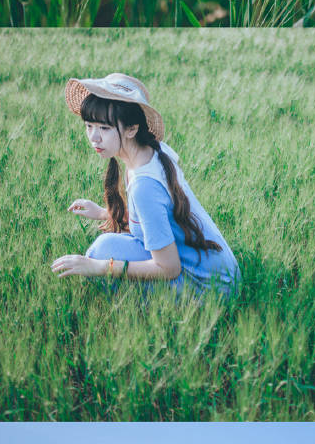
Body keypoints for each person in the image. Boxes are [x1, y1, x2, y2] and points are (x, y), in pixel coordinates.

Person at [52, 71, 240, 294]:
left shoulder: (145, 186)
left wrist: (99, 267)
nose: (94, 137)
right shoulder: (153, 152)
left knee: (101, 252)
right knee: (108, 246)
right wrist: (106, 214)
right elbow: (157, 221)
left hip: (211, 289)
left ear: (132, 129)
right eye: (89, 126)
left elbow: (169, 268)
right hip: (223, 274)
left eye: (104, 128)